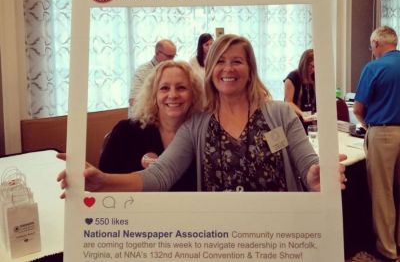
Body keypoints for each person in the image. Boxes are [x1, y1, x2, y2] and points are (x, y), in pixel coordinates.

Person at [58, 35, 346, 194]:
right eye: (220, 61)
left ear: (250, 70)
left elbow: (306, 163)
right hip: (217, 238)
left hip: (277, 233)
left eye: (237, 61)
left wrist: (315, 176)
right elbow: (160, 175)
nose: (228, 69)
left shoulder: (280, 114)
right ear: (210, 71)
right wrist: (103, 181)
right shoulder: (197, 124)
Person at [100, 60, 202, 191]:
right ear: (154, 94)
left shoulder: (202, 135)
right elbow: (105, 184)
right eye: (164, 88)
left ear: (194, 94)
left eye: (181, 88)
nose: (173, 95)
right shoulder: (125, 132)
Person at [353, 25, 400, 262]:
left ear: (377, 44)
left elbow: (358, 108)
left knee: (383, 195)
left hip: (383, 133)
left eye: (372, 45)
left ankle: (387, 250)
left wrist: (366, 125)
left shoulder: (374, 67)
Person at [128, 39, 176, 107]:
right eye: (169, 56)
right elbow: (133, 101)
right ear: (157, 53)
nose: (172, 60)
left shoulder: (172, 70)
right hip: (143, 115)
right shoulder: (142, 71)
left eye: (174, 56)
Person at [283, 49, 316, 126]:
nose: (313, 70)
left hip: (311, 119)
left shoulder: (314, 77)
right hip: (294, 119)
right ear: (304, 64)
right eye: (311, 66)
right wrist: (302, 113)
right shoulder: (292, 78)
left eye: (315, 66)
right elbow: (288, 102)